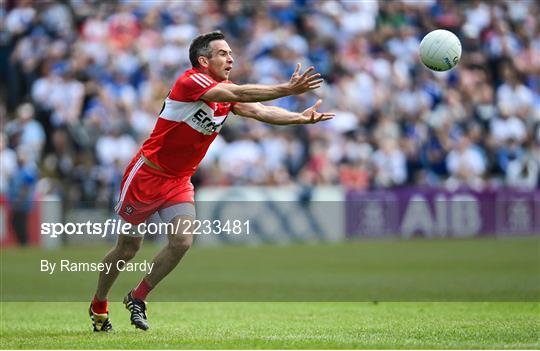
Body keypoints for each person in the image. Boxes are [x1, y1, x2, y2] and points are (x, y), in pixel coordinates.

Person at [89, 31, 334, 332]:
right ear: (203, 60)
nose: (230, 58)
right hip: (147, 175)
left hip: (178, 180)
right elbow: (239, 95)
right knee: (128, 249)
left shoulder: (225, 91)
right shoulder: (191, 82)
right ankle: (99, 303)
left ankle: (138, 297)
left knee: (182, 241)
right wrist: (287, 88)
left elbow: (258, 110)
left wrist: (299, 118)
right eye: (222, 53)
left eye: (231, 53)